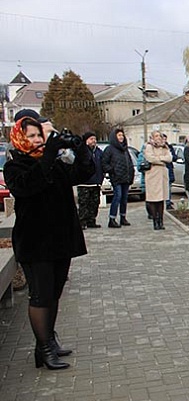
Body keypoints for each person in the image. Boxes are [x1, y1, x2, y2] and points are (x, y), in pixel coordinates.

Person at [5, 114, 95, 369]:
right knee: (40, 296)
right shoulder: (16, 166)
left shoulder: (54, 162)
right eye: (32, 136)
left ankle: (47, 342)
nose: (37, 140)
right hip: (35, 242)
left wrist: (81, 150)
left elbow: (82, 173)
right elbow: (27, 186)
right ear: (21, 138)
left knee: (54, 293)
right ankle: (44, 348)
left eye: (39, 135)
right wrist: (48, 154)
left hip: (59, 239)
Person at [101, 128, 135, 228]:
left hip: (126, 177)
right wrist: (112, 170)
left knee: (124, 198)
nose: (121, 137)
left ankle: (123, 217)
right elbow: (104, 163)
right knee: (117, 196)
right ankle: (112, 218)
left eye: (122, 135)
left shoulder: (125, 149)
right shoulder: (110, 149)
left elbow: (129, 163)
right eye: (119, 135)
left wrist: (131, 174)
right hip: (116, 178)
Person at [143, 131, 173, 230]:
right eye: (156, 136)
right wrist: (161, 159)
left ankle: (161, 220)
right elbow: (150, 158)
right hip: (152, 174)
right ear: (152, 137)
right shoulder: (149, 146)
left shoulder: (165, 147)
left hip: (163, 174)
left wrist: (159, 158)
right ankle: (155, 221)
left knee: (161, 199)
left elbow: (169, 158)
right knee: (153, 199)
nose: (158, 138)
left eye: (159, 136)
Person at [76, 131, 103, 229]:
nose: (94, 141)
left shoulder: (98, 152)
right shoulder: (82, 152)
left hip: (96, 182)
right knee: (84, 203)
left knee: (94, 203)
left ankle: (91, 220)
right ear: (86, 141)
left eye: (95, 139)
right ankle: (82, 221)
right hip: (84, 183)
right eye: (91, 139)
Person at [163, 134, 177, 210]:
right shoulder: (159, 148)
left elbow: (174, 157)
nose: (164, 141)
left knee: (168, 187)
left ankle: (168, 202)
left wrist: (170, 155)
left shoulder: (170, 147)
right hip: (161, 169)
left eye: (165, 139)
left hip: (169, 169)